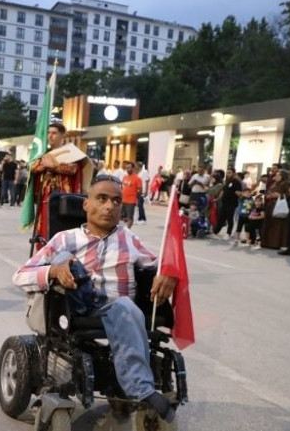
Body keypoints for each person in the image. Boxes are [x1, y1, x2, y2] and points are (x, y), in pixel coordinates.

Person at [12, 175, 178, 424]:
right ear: (86, 205)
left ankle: (141, 390)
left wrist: (169, 274)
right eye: (102, 199)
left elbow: (158, 266)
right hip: (74, 305)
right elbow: (20, 275)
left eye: (116, 201)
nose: (110, 206)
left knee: (125, 306)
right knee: (65, 258)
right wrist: (54, 271)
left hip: (115, 308)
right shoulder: (65, 239)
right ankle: (141, 390)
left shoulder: (129, 239)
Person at [28, 123, 92, 246]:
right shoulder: (44, 154)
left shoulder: (71, 152)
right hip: (46, 200)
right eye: (49, 133)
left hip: (64, 200)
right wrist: (41, 165)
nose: (50, 136)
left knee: (61, 231)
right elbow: (33, 168)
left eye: (54, 133)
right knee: (44, 231)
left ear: (62, 135)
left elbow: (73, 169)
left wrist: (54, 166)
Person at [260, 169, 290, 249]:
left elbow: (289, 195)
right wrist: (268, 195)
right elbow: (268, 192)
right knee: (269, 224)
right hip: (270, 205)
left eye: (278, 175)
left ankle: (275, 244)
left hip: (279, 206)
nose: (276, 176)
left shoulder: (286, 184)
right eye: (276, 175)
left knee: (277, 226)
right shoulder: (274, 184)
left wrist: (279, 195)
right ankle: (266, 242)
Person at [213, 167, 242, 239]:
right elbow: (223, 191)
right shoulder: (226, 181)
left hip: (232, 203)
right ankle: (216, 232)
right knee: (221, 218)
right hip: (224, 202)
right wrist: (218, 199)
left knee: (229, 218)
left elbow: (239, 192)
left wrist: (239, 194)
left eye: (229, 172)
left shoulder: (237, 182)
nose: (228, 174)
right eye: (227, 173)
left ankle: (228, 233)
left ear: (234, 173)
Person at [121, 162, 143, 229]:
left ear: (133, 168)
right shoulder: (125, 177)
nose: (127, 169)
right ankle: (123, 229)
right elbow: (122, 187)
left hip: (131, 201)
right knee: (122, 217)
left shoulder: (137, 179)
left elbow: (140, 191)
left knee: (130, 217)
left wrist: (135, 197)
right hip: (123, 200)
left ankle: (128, 231)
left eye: (129, 168)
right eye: (126, 168)